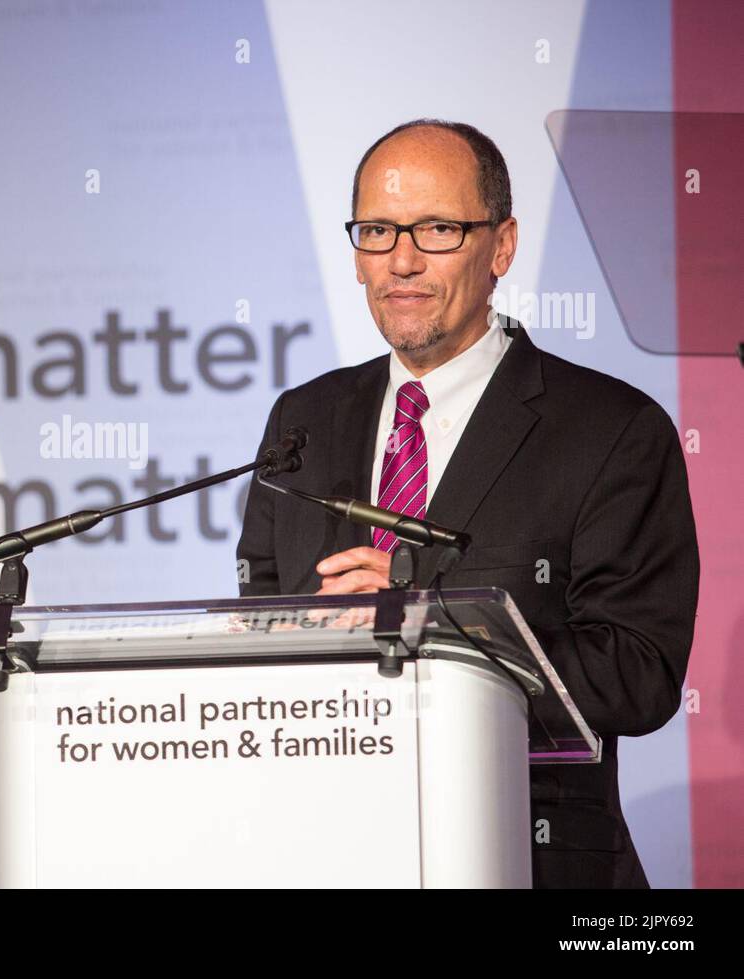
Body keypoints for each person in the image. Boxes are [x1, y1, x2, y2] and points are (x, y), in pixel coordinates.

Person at [236, 119, 699, 888]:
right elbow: (256, 625)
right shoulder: (303, 422)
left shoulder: (611, 428)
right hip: (328, 852)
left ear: (502, 246)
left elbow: (639, 672)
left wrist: (431, 616)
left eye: (438, 229)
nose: (403, 260)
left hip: (530, 857)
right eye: (378, 230)